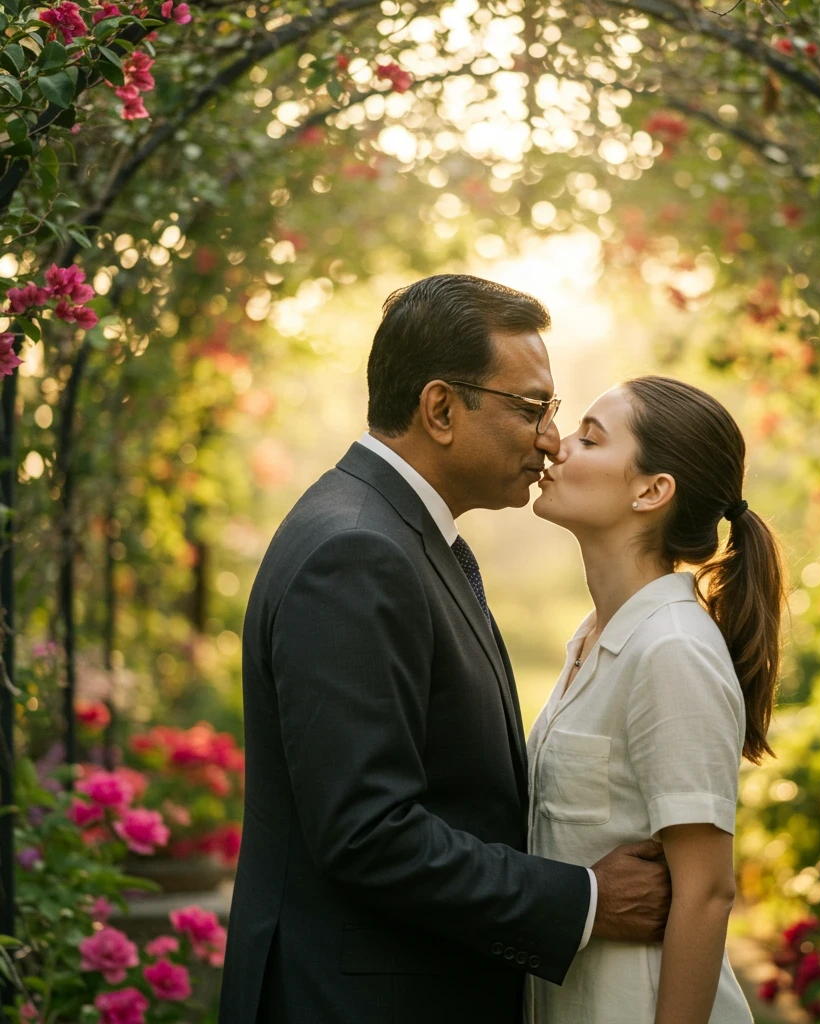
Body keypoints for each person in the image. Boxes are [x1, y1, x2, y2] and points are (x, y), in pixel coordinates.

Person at [218, 275, 672, 1024]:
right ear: (440, 409)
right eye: (530, 408)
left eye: (552, 411)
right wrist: (586, 900)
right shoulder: (357, 552)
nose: (550, 438)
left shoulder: (399, 534)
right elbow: (368, 833)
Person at [528, 376, 786, 1024]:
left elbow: (707, 893)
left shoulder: (673, 649)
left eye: (590, 438)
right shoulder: (595, 638)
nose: (557, 444)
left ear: (651, 491)